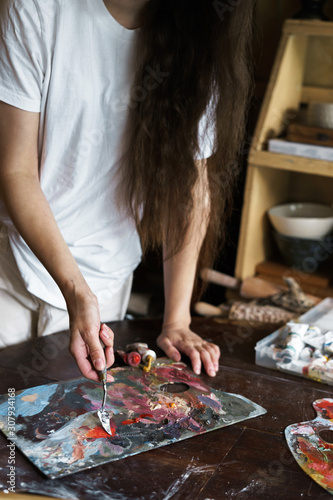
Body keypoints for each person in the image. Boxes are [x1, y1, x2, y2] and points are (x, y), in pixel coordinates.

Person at [0, 0, 254, 382]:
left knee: (80, 430)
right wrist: (76, 292)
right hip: (14, 270)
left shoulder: (201, 36)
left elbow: (189, 186)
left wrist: (178, 318)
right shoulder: (36, 7)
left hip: (106, 284)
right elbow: (16, 170)